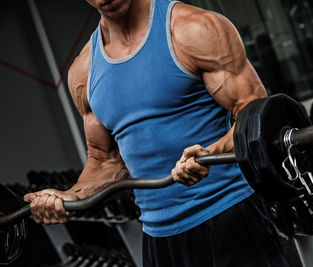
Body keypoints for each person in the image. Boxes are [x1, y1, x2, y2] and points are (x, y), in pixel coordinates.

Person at [24, 0, 288, 266]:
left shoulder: (193, 28)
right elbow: (105, 161)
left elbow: (254, 115)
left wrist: (210, 154)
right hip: (158, 237)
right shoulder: (83, 71)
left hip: (230, 214)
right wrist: (72, 196)